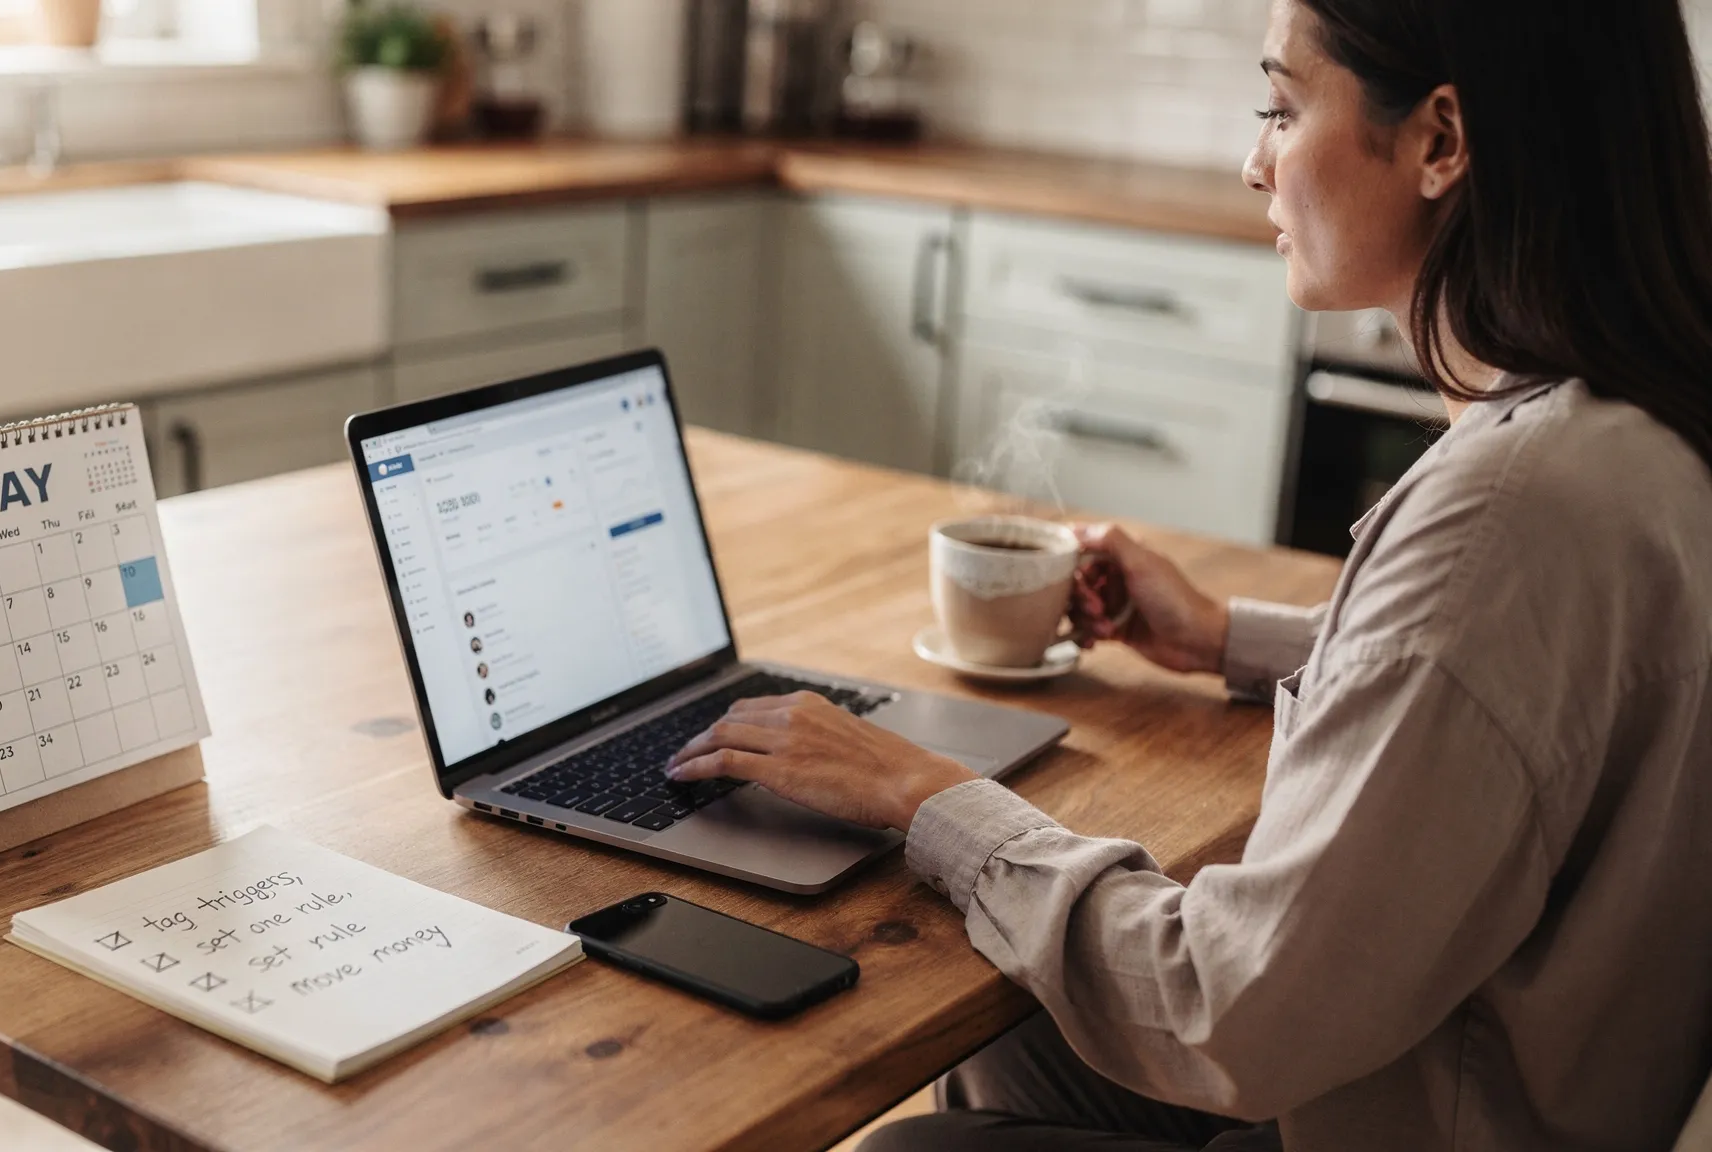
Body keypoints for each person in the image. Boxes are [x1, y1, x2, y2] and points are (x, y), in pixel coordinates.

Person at [664, 0, 1712, 1147]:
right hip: (1483, 1069)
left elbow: (1228, 1009)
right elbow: (1520, 691)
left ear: (1439, 142)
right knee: (1019, 1012)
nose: (1251, 163)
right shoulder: (1628, 427)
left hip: (1419, 1110)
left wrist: (924, 798)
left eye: (1278, 106)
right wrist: (1223, 638)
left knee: (918, 1136)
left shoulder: (1505, 514)